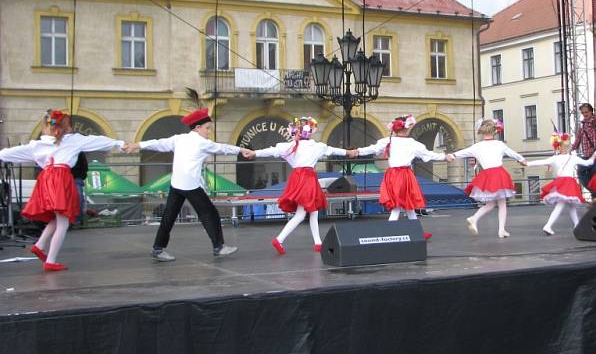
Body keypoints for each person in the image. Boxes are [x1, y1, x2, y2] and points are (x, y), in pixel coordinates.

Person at [0, 109, 125, 271]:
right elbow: (97, 141)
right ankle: (50, 260)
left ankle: (39, 245)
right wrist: (119, 143)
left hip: (46, 179)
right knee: (63, 221)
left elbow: (9, 153)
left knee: (57, 217)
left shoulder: (37, 144)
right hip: (61, 179)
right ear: (67, 127)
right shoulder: (73, 140)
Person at [124, 107, 254, 262]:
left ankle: (158, 249)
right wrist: (241, 149)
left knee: (169, 216)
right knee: (209, 214)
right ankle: (219, 247)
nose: (208, 132)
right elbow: (223, 148)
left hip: (176, 184)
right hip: (190, 186)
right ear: (197, 128)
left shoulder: (179, 139)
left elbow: (157, 143)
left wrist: (136, 145)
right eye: (207, 128)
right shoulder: (202, 143)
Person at [253, 117, 347, 254]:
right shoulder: (314, 146)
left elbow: (272, 150)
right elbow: (332, 150)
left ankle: (318, 243)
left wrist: (255, 153)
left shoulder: (293, 146)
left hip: (301, 178)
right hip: (306, 179)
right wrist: (349, 152)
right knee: (301, 214)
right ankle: (279, 239)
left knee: (313, 211)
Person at [348, 115, 448, 238]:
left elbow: (373, 149)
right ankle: (390, 232)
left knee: (407, 205)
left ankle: (417, 231)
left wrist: (358, 151)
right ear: (407, 128)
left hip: (392, 175)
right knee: (399, 205)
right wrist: (444, 156)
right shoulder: (411, 144)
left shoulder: (389, 141)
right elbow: (429, 154)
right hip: (404, 175)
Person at [446, 118, 525, 238]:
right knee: (502, 203)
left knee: (491, 204)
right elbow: (512, 153)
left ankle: (475, 218)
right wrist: (521, 159)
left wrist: (453, 155)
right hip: (499, 175)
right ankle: (500, 229)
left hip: (487, 176)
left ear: (482, 132)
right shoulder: (499, 144)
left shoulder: (477, 146)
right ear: (495, 131)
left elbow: (463, 152)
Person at [525, 132, 594, 235]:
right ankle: (548, 225)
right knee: (562, 204)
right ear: (568, 147)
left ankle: (577, 225)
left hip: (560, 183)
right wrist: (594, 156)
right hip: (569, 183)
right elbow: (588, 163)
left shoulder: (555, 158)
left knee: (570, 205)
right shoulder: (573, 158)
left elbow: (541, 162)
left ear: (559, 147)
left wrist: (527, 163)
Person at [571, 103, 596, 200]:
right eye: (583, 113)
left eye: (586, 112)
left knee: (582, 172)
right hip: (586, 153)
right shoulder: (582, 124)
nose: (585, 114)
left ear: (591, 111)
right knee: (591, 176)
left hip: (594, 152)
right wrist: (570, 148)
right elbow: (578, 138)